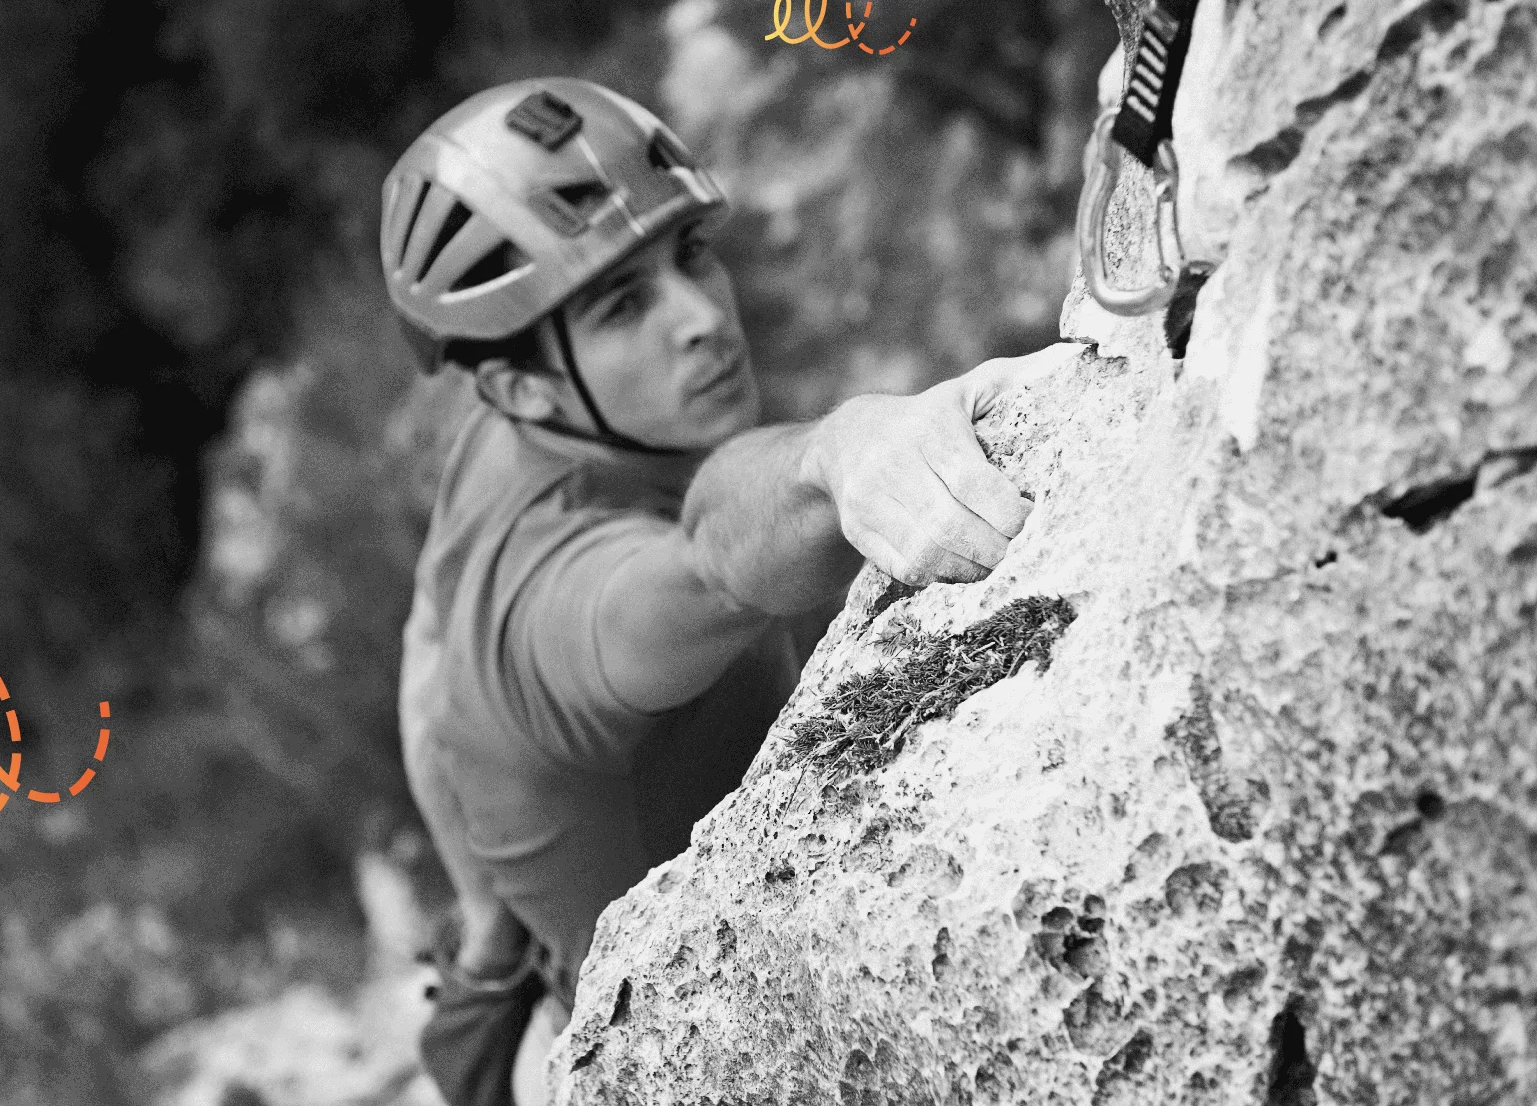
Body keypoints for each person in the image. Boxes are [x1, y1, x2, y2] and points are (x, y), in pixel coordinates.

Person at [386, 78, 1071, 1105]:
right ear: (519, 385)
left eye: (692, 255)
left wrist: (487, 918)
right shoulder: (564, 609)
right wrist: (832, 461)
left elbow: (427, 644)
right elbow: (708, 558)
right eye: (623, 306)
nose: (702, 318)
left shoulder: (506, 430)